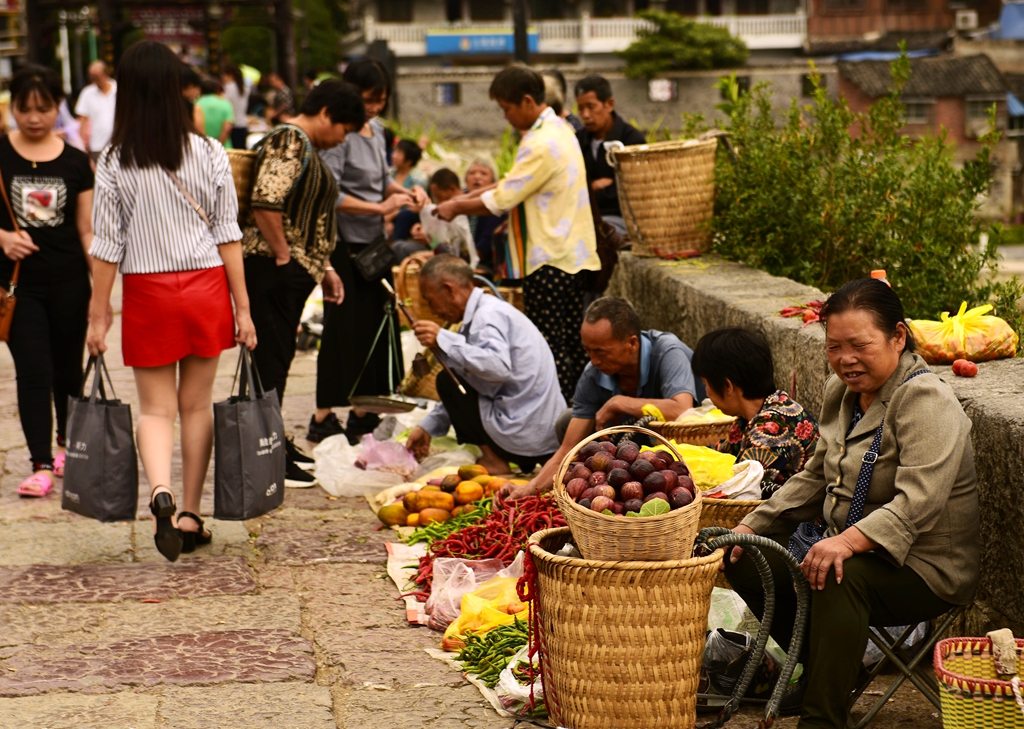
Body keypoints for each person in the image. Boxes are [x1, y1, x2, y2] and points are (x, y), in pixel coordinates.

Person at [724, 279, 979, 728]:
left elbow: (918, 501)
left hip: (925, 566)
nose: (846, 359)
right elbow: (816, 477)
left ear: (897, 337)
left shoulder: (925, 400)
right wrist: (750, 527)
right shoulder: (840, 394)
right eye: (834, 347)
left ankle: (822, 718)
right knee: (746, 559)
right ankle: (829, 669)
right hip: (854, 551)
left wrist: (846, 542)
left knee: (838, 577)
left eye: (860, 345)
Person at [87, 42, 257, 562]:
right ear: (176, 89)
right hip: (205, 286)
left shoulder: (115, 160)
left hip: (147, 291)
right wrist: (243, 308)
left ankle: (159, 489)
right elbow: (228, 234)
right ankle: (189, 514)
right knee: (196, 405)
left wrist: (98, 315)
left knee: (156, 409)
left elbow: (107, 244)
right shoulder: (209, 151)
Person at [436, 65, 600, 402]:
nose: (506, 117)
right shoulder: (561, 129)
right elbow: (512, 183)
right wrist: (461, 200)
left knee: (550, 348)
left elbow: (503, 198)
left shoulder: (540, 142)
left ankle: (559, 415)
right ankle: (579, 413)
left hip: (549, 258)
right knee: (572, 343)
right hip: (573, 255)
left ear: (527, 101)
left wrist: (456, 207)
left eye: (506, 108)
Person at [241, 80, 367, 486]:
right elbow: (266, 201)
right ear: (326, 113)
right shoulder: (289, 140)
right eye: (344, 129)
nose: (342, 139)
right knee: (270, 361)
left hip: (290, 267)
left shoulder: (305, 146)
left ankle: (272, 441)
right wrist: (283, 256)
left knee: (278, 360)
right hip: (271, 267)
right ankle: (264, 454)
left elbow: (307, 216)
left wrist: (323, 267)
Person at [310, 59, 421, 445]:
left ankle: (362, 413)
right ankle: (323, 414)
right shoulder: (340, 133)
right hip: (344, 244)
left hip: (374, 246)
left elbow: (382, 180)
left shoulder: (378, 131)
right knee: (342, 329)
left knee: (375, 325)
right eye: (368, 98)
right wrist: (378, 208)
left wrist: (405, 193)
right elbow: (329, 191)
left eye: (380, 99)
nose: (373, 107)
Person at [0, 65, 95, 498]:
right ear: (12, 107)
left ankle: (66, 446)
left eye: (44, 108)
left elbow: (86, 230)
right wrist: (2, 238)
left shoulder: (76, 162)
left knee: (68, 371)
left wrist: (101, 293)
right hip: (18, 287)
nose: (34, 117)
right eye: (25, 108)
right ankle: (39, 462)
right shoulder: (1, 154)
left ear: (59, 106)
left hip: (70, 281)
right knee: (33, 370)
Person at [503, 297, 704, 500]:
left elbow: (682, 410)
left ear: (632, 343)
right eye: (588, 350)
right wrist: (531, 488)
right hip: (631, 454)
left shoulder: (668, 352)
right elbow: (568, 449)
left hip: (686, 447)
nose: (594, 360)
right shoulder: (593, 373)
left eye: (600, 352)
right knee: (568, 422)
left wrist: (619, 402)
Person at [406, 255, 564, 474]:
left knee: (447, 381)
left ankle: (493, 459)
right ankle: (501, 456)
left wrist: (443, 338)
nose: (433, 311)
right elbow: (474, 384)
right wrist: (427, 426)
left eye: (431, 301)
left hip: (524, 430)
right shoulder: (488, 312)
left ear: (449, 290)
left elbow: (497, 368)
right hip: (538, 432)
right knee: (456, 377)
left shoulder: (487, 315)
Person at [691, 327, 819, 495]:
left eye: (706, 384)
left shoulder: (772, 427)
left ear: (728, 386)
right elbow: (719, 455)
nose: (706, 392)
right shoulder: (753, 415)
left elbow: (740, 490)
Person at [574, 74, 646, 239]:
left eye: (591, 107)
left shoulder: (631, 139)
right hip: (585, 217)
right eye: (581, 108)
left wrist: (591, 190)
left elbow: (631, 188)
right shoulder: (578, 141)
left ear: (609, 104)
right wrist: (598, 186)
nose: (585, 115)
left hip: (621, 219)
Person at [392, 168, 475, 265]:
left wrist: (429, 242)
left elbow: (453, 249)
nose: (437, 201)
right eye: (435, 197)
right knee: (399, 241)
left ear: (451, 189)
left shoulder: (466, 209)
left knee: (401, 248)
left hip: (452, 258)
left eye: (439, 197)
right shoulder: (446, 207)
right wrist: (424, 229)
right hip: (440, 251)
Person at [464, 159, 503, 275]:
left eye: (484, 173)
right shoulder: (459, 200)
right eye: (472, 173)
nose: (477, 177)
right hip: (459, 258)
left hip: (485, 265)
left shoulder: (496, 205)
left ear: (493, 182)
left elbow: (482, 251)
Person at [74, 60, 117, 163]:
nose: (95, 81)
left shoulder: (119, 90)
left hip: (117, 144)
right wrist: (82, 144)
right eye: (93, 78)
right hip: (97, 145)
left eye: (98, 77)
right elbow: (83, 120)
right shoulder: (87, 93)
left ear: (106, 74)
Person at [196, 77, 235, 147]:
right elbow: (227, 127)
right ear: (216, 89)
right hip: (225, 149)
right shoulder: (225, 103)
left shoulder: (196, 104)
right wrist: (218, 145)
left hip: (201, 148)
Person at [222, 64, 250, 150]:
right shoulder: (245, 88)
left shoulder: (228, 88)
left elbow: (225, 105)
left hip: (232, 125)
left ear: (230, 75)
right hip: (242, 124)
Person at [181, 65, 205, 135]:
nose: (198, 92)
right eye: (198, 88)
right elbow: (200, 135)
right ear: (190, 86)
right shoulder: (193, 109)